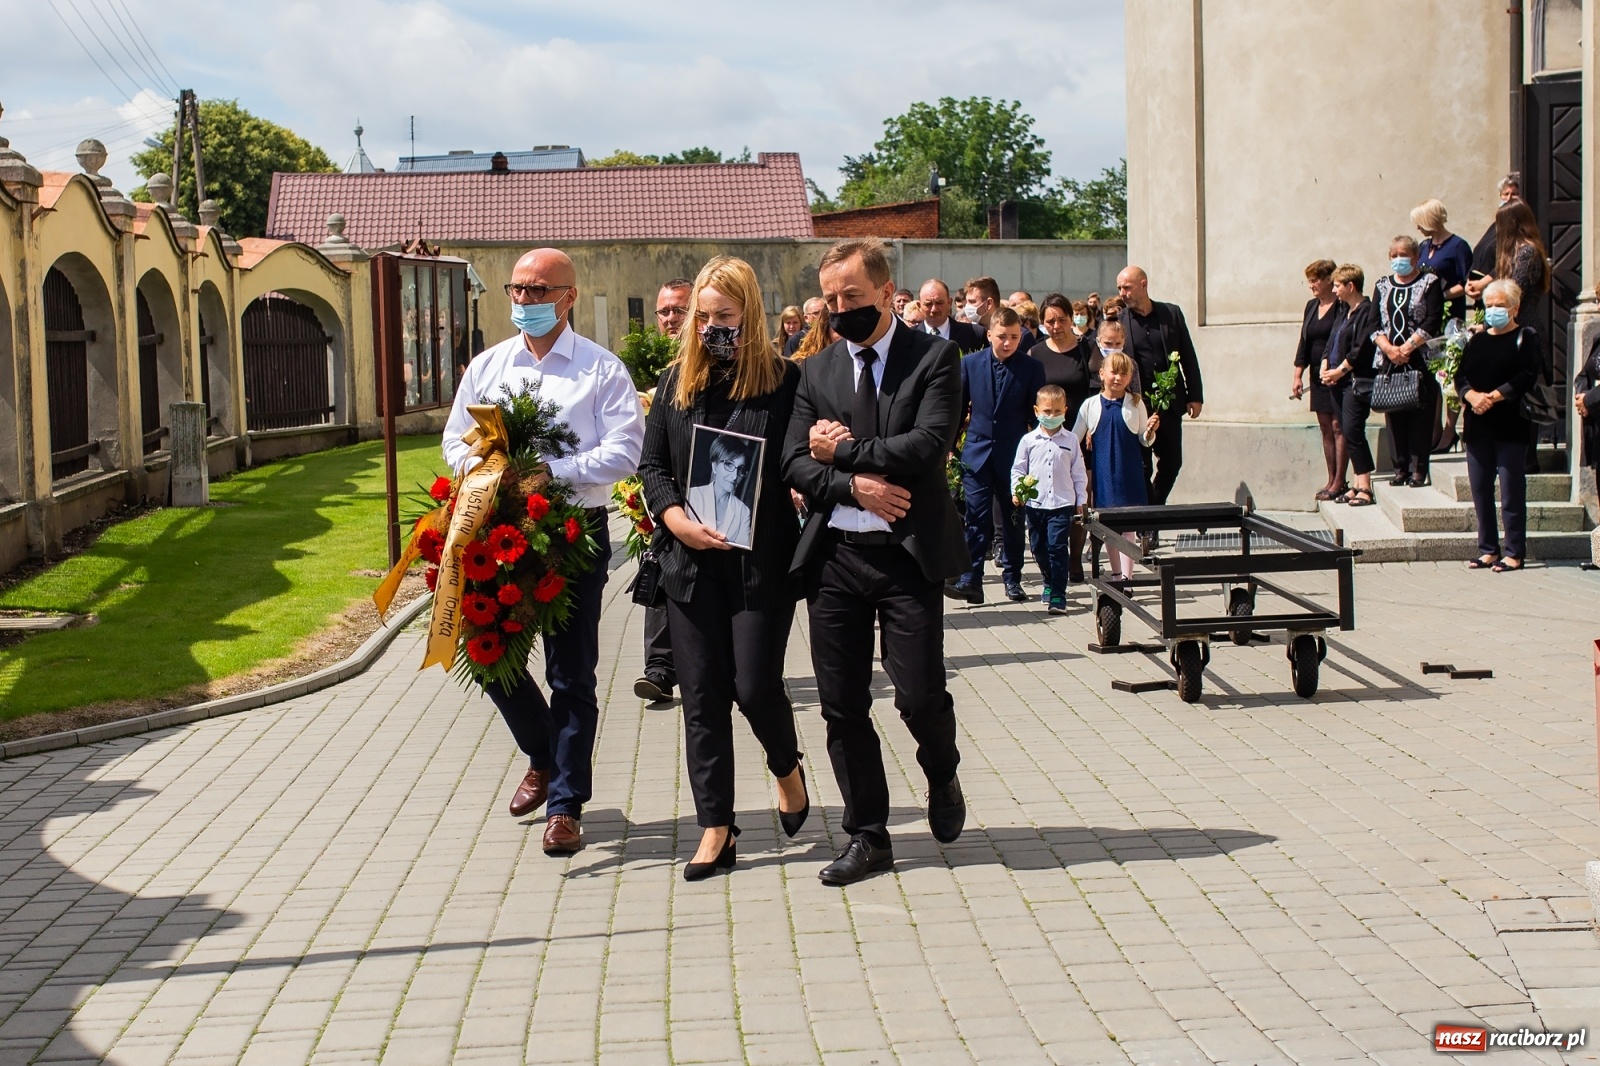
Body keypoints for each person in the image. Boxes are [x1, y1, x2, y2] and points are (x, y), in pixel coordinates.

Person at [443, 248, 644, 856]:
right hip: (498, 527)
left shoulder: (601, 370)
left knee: (570, 673)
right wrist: (483, 470)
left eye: (538, 291)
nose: (524, 301)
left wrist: (550, 472)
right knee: (487, 656)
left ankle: (565, 806)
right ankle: (543, 753)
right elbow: (454, 440)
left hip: (574, 532)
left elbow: (624, 452)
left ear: (568, 297)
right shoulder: (489, 367)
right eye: (518, 289)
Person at [783, 237, 968, 887]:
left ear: (888, 293)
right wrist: (852, 486)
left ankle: (941, 770)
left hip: (907, 557)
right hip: (835, 557)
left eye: (852, 297)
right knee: (841, 704)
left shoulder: (936, 359)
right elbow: (794, 461)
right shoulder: (815, 371)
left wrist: (843, 452)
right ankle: (868, 834)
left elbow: (926, 446)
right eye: (830, 300)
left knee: (918, 694)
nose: (840, 310)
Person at [637, 256, 809, 879]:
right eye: (703, 316)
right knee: (703, 697)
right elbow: (653, 465)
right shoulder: (675, 382)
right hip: (690, 564)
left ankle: (786, 767)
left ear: (750, 315)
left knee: (754, 687)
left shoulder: (785, 382)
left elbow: (796, 460)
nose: (712, 327)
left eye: (725, 316)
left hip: (760, 564)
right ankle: (717, 825)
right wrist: (674, 517)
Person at [946, 306, 1047, 605]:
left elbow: (1036, 416)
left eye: (1014, 337)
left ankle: (1012, 578)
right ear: (990, 334)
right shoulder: (971, 363)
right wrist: (949, 446)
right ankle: (971, 579)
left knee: (1013, 519)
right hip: (977, 452)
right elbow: (959, 408)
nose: (1008, 343)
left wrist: (1037, 453)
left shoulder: (1032, 368)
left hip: (1014, 455)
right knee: (975, 517)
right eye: (1002, 336)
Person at [1457, 279, 1541, 572]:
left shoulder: (1526, 337)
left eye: (1500, 305)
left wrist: (1492, 397)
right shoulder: (1477, 341)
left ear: (1514, 308)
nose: (1493, 310)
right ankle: (1488, 549)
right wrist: (1471, 395)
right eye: (1489, 305)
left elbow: (1527, 374)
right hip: (1478, 425)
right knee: (1481, 490)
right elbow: (1460, 376)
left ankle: (1514, 552)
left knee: (1510, 491)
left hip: (1511, 425)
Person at [634, 278, 692, 704]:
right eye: (664, 311)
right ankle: (658, 667)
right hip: (654, 481)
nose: (670, 318)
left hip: (698, 485)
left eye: (679, 310)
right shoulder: (642, 362)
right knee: (657, 565)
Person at [1467, 200, 1551, 474]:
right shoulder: (1514, 252)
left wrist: (1489, 320)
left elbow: (1516, 290)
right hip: (1508, 329)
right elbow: (1499, 276)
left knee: (1524, 393)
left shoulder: (1528, 252)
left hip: (1523, 327)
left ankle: (1527, 458)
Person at [1117, 266, 1203, 505]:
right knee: (1142, 465)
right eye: (1119, 288)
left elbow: (1188, 355)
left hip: (1170, 404)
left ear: (1143, 284)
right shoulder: (1120, 321)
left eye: (1127, 287)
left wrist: (1195, 395)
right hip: (1137, 404)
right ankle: (1148, 517)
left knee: (1172, 462)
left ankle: (1155, 506)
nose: (1122, 293)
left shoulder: (1171, 314)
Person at [1031, 295, 1099, 582]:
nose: (1056, 326)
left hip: (1081, 435)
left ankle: (1074, 559)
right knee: (1051, 496)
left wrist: (1093, 426)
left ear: (1072, 319)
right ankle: (1052, 557)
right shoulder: (1035, 352)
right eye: (1050, 321)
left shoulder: (1087, 348)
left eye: (1061, 319)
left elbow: (1097, 389)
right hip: (1046, 436)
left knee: (1080, 497)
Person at [1073, 349, 1157, 579]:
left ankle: (1128, 578)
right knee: (1109, 529)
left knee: (1129, 528)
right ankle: (1117, 574)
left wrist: (1150, 432)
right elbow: (1073, 439)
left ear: (1130, 377)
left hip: (1129, 474)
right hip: (1104, 476)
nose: (1118, 378)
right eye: (1114, 373)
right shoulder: (1090, 405)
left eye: (1124, 374)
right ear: (1102, 373)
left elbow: (1144, 439)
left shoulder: (1135, 403)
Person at [1373, 236, 1444, 487]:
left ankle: (1418, 469)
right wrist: (1389, 348)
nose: (1398, 259)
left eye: (1403, 255)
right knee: (1394, 413)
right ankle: (1400, 468)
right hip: (1389, 359)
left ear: (1415, 257)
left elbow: (1433, 319)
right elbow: (1373, 322)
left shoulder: (1429, 282)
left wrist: (1407, 347)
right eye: (1394, 255)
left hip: (1419, 358)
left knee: (1420, 414)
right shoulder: (1383, 285)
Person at [1012, 384, 1088, 614]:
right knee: (1038, 548)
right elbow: (1018, 469)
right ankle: (1047, 579)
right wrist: (1017, 491)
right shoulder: (1028, 440)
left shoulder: (1071, 440)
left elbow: (1078, 472)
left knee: (1057, 547)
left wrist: (1081, 501)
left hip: (1062, 503)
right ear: (1037, 411)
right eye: (1047, 411)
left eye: (1057, 411)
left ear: (1065, 411)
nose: (1052, 416)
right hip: (1036, 504)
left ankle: (1058, 593)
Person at [1320, 263, 1380, 507]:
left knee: (1354, 430)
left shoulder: (1366, 311)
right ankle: (1356, 483)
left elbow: (1361, 348)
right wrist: (1325, 365)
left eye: (1337, 285)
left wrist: (1341, 370)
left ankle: (1365, 485)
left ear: (1350, 286)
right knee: (1346, 429)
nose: (1334, 290)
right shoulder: (1344, 311)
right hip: (1336, 381)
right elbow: (1331, 341)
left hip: (1354, 381)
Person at [1290, 260, 1348, 502]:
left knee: (1338, 426)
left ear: (1327, 280)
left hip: (1337, 374)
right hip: (1317, 376)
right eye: (1309, 281)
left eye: (1314, 280)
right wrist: (1298, 374)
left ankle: (1340, 481)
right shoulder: (1311, 306)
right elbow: (1304, 341)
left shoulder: (1341, 305)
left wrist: (1336, 369)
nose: (1311, 285)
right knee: (1325, 427)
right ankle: (1331, 478)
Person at [1471, 173, 1522, 279]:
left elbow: (1509, 261)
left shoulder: (1520, 228)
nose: (1509, 198)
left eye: (1514, 194)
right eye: (1505, 194)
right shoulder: (1496, 225)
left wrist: (1482, 283)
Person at [917, 278, 986, 352]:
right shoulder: (910, 337)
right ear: (919, 306)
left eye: (939, 303)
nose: (934, 310)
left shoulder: (974, 334)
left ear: (949, 303)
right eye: (928, 304)